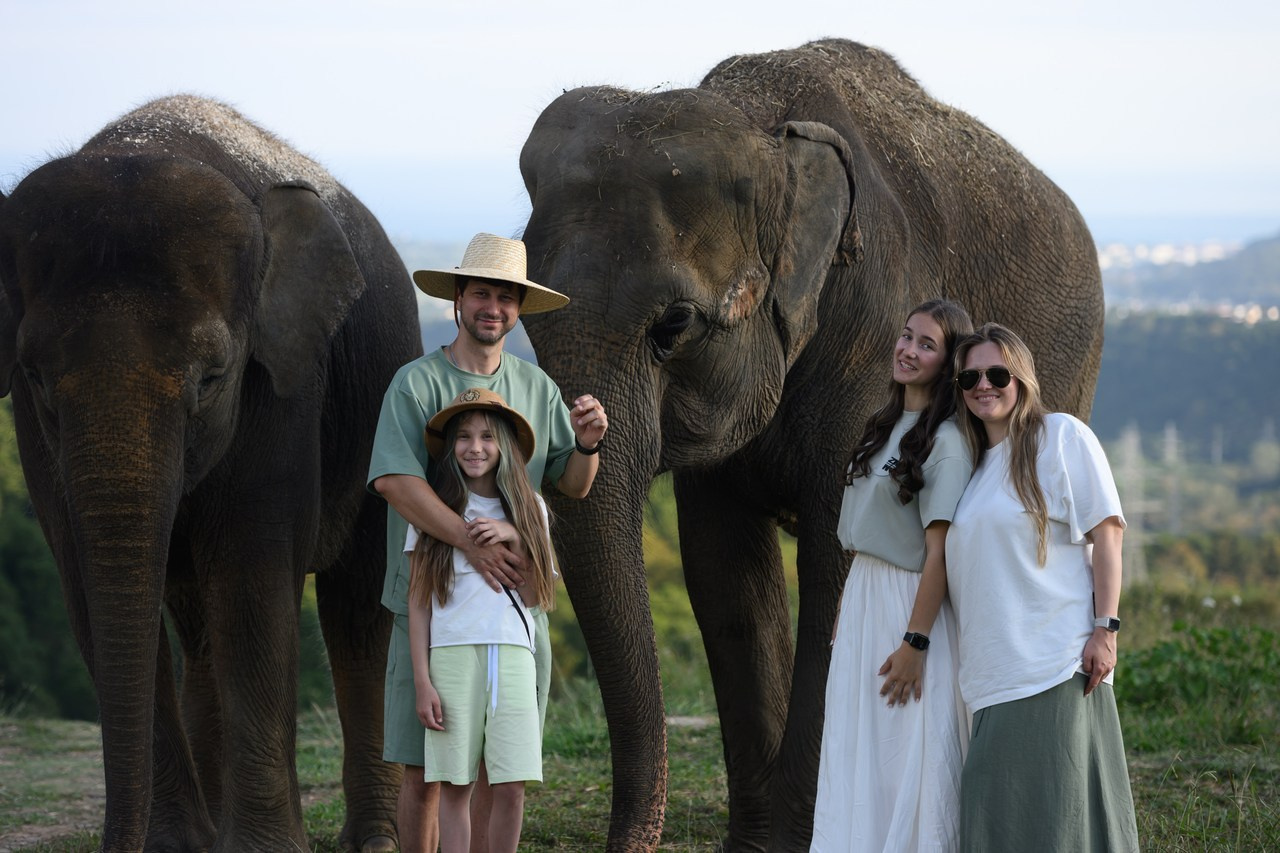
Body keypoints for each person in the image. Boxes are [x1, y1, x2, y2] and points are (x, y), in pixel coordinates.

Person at [368, 233, 608, 853]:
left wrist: (587, 444)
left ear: (518, 309)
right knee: (424, 770)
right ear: (458, 300)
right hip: (432, 607)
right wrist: (469, 543)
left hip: (516, 614)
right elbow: (395, 480)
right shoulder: (415, 384)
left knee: (495, 771)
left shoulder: (537, 388)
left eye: (506, 297)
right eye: (482, 293)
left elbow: (572, 485)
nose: (492, 307)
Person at [945, 322, 1139, 852]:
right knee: (1004, 818)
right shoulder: (974, 466)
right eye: (970, 377)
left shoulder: (1061, 436)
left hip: (1051, 663)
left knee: (1056, 820)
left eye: (997, 373)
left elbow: (1108, 533)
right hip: (988, 672)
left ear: (1021, 377)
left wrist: (1106, 629)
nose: (984, 384)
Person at [811, 299, 975, 852]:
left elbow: (941, 554)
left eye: (927, 344)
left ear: (948, 364)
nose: (908, 350)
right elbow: (865, 532)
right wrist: (845, 606)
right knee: (860, 747)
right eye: (907, 336)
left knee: (904, 752)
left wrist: (915, 641)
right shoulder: (882, 425)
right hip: (864, 597)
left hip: (909, 607)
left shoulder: (946, 442)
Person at [407, 388, 557, 852]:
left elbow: (537, 595)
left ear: (506, 446)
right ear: (451, 446)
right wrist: (422, 681)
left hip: (514, 654)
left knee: (511, 784)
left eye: (488, 437)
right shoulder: (433, 511)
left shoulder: (532, 508)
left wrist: (516, 532)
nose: (476, 447)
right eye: (465, 437)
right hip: (451, 656)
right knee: (455, 785)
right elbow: (418, 602)